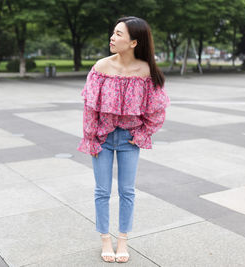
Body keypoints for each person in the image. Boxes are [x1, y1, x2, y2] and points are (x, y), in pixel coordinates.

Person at [77, 16, 170, 263]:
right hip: (102, 137)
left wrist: (141, 135)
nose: (112, 37)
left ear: (133, 42)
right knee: (102, 191)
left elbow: (157, 109)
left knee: (127, 191)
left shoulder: (146, 71)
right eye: (113, 33)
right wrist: (91, 139)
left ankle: (123, 240)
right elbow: (89, 108)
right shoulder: (100, 67)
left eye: (119, 34)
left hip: (129, 139)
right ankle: (105, 238)